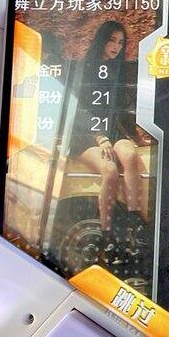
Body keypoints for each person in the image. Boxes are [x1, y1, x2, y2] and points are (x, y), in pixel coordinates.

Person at [68, 20, 142, 230]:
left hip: (112, 132)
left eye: (121, 42)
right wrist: (100, 136)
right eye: (112, 40)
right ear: (102, 40)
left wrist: (134, 135)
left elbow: (118, 109)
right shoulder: (83, 68)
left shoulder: (117, 70)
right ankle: (106, 229)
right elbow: (78, 109)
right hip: (85, 136)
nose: (116, 46)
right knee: (109, 169)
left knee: (131, 156)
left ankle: (133, 220)